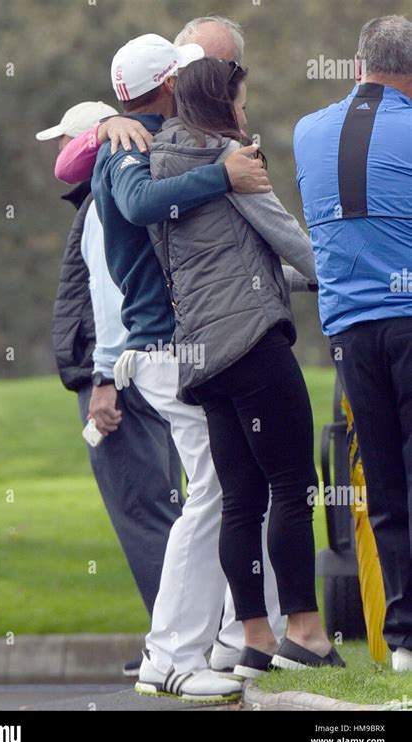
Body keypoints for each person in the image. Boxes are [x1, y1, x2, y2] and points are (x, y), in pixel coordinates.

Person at [90, 30, 288, 703]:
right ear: (171, 83)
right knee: (216, 495)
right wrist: (224, 175)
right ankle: (171, 654)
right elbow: (143, 205)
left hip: (183, 346)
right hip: (168, 349)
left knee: (233, 491)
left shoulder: (140, 132)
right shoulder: (129, 143)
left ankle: (238, 635)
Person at [144, 57, 344, 675]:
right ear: (220, 104)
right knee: (293, 486)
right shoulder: (232, 162)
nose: (245, 113)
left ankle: (255, 639)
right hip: (253, 346)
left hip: (202, 356)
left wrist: (304, 285)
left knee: (241, 500)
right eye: (241, 101)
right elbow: (288, 238)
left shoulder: (162, 166)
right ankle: (306, 633)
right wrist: (347, 276)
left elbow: (220, 270)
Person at [36, 101, 183, 677]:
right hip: (141, 370)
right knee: (164, 507)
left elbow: (113, 304)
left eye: (64, 142)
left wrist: (102, 382)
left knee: (143, 512)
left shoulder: (102, 201)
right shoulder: (112, 197)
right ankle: (180, 635)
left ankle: (175, 643)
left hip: (120, 379)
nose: (57, 154)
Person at [294, 15, 412, 672]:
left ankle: (403, 642)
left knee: (385, 482)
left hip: (349, 333)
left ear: (358, 63)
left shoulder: (307, 131)